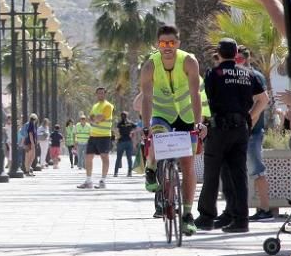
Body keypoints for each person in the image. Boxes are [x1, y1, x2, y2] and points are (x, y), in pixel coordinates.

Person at [193, 39, 268, 233]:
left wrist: (202, 124)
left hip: (219, 128)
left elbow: (206, 101)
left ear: (219, 53)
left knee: (212, 173)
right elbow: (264, 99)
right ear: (236, 53)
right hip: (241, 128)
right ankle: (240, 220)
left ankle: (206, 216)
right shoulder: (248, 73)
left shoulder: (214, 73)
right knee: (237, 174)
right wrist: (250, 117)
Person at [138, 24, 205, 231]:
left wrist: (198, 122)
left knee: (188, 164)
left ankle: (186, 214)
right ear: (157, 45)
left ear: (178, 43)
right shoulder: (150, 66)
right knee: (157, 134)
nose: (167, 47)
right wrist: (146, 126)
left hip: (185, 115)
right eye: (163, 43)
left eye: (172, 43)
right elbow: (147, 99)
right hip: (162, 113)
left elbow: (195, 95)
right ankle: (150, 168)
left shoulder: (189, 61)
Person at [238, 46, 273, 223]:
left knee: (257, 170)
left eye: (239, 59)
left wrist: (248, 121)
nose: (236, 62)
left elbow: (261, 103)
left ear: (247, 58)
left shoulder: (255, 77)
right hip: (243, 131)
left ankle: (265, 209)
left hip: (253, 132)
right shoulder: (238, 76)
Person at [78, 88, 114, 189]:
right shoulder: (95, 106)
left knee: (104, 157)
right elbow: (90, 119)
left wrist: (95, 119)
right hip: (93, 135)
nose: (100, 95)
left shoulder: (108, 106)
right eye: (98, 93)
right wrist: (95, 119)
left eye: (102, 93)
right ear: (96, 94)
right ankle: (88, 181)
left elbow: (99, 118)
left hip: (104, 136)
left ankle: (103, 180)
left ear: (105, 94)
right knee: (88, 157)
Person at [113, 112, 134, 177]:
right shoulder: (130, 123)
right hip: (128, 141)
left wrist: (117, 138)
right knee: (129, 158)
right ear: (127, 116)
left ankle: (116, 173)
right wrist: (132, 133)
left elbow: (116, 131)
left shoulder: (119, 123)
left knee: (118, 158)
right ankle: (129, 172)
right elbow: (137, 128)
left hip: (121, 142)